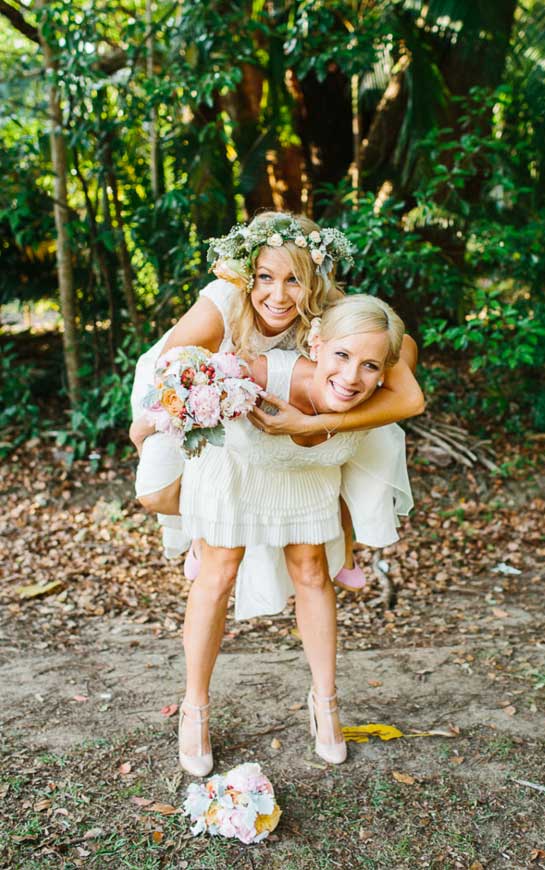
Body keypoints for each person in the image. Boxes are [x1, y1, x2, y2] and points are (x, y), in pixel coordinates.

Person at [178, 294, 423, 776]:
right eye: (341, 356)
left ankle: (326, 702)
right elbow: (186, 380)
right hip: (237, 467)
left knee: (313, 572)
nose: (351, 377)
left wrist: (314, 422)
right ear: (315, 345)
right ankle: (194, 706)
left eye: (370, 366)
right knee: (219, 573)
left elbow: (410, 389)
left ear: (387, 370)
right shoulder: (261, 372)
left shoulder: (383, 387)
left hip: (308, 476)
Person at [130, 211, 422, 587]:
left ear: (313, 277)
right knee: (154, 493)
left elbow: (406, 379)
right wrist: (146, 425)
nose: (280, 296)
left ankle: (342, 546)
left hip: (284, 388)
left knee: (365, 421)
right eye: (265, 277)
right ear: (247, 274)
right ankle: (201, 529)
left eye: (295, 279)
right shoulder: (219, 306)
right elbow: (171, 374)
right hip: (192, 386)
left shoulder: (326, 300)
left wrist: (315, 422)